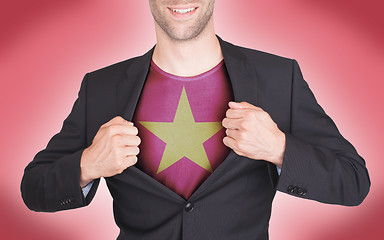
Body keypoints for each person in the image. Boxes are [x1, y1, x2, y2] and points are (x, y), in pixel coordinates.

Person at [21, 0, 370, 239]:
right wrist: (87, 165)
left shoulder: (279, 78)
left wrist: (280, 148)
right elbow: (34, 188)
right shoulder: (101, 87)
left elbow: (354, 181)